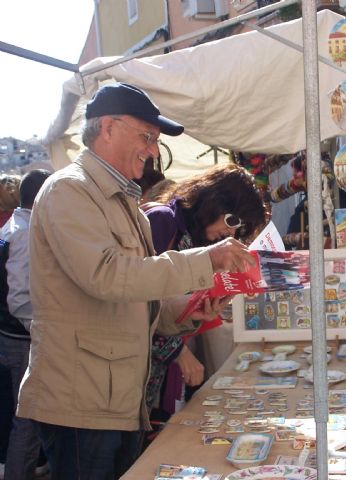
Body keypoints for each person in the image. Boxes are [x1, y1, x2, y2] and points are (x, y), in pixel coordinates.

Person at [15, 82, 255, 480]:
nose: (153, 150)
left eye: (155, 140)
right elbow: (108, 277)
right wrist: (206, 259)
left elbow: (138, 300)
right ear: (107, 128)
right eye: (146, 136)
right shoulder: (68, 190)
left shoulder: (121, 200)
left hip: (116, 402)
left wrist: (190, 312)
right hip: (81, 404)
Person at [142, 163, 266, 425]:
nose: (232, 232)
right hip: (133, 378)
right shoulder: (163, 220)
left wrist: (204, 310)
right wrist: (179, 353)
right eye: (232, 220)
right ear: (211, 199)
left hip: (158, 380)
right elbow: (138, 301)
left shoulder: (195, 237)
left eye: (239, 229)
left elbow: (174, 308)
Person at [0, 169, 51, 480]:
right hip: (21, 338)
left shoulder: (13, 226)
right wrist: (44, 331)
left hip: (10, 334)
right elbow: (19, 297)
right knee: (29, 417)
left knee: (20, 413)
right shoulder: (26, 231)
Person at [0, 174, 21, 479]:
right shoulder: (20, 229)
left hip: (5, 326)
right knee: (22, 411)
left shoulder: (9, 229)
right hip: (17, 329)